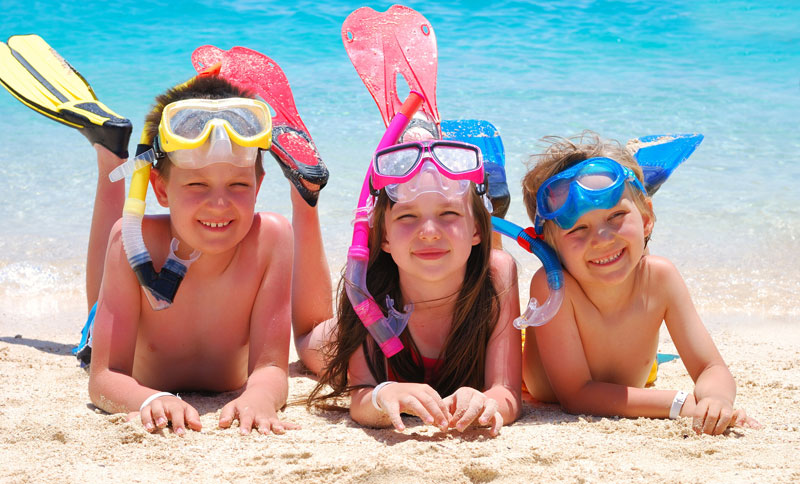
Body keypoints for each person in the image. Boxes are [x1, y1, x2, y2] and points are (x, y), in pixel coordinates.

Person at [86, 74, 330, 436]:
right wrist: (149, 400)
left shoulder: (271, 240)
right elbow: (105, 377)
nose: (219, 204)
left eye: (239, 184)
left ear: (259, 185)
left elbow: (271, 369)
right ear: (161, 188)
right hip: (134, 343)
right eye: (197, 184)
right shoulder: (135, 241)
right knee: (102, 291)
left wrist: (260, 398)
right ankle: (110, 158)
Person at [520, 132, 759, 435]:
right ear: (550, 247)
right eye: (578, 228)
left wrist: (716, 398)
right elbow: (576, 395)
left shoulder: (660, 279)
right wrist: (682, 404)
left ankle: (638, 187)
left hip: (637, 375)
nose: (601, 238)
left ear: (648, 219)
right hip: (552, 363)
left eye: (615, 215)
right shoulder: (553, 287)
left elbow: (711, 368)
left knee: (628, 255)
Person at [297, 138, 522, 436]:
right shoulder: (365, 288)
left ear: (479, 230)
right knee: (307, 341)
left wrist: (488, 401)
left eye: (448, 214)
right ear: (385, 236)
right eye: (407, 216)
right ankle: (304, 198)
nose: (429, 233)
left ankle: (434, 152)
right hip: (347, 331)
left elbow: (506, 392)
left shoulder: (499, 273)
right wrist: (384, 395)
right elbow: (361, 395)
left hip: (475, 264)